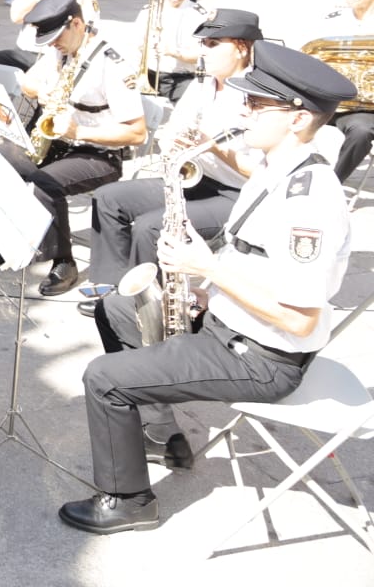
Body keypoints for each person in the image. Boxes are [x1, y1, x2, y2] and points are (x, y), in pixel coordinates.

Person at [59, 40, 353, 535]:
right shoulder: (274, 169)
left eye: (259, 104)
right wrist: (203, 288)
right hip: (231, 323)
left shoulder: (309, 202)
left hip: (260, 357)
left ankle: (129, 500)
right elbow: (256, 262)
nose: (245, 110)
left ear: (299, 119)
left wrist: (210, 272)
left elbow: (299, 318)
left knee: (102, 377)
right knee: (115, 308)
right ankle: (155, 429)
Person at [82, 9, 264, 317]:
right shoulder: (204, 83)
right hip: (195, 179)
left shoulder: (258, 96)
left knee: (149, 227)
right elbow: (175, 127)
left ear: (241, 48)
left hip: (236, 194)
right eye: (203, 43)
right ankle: (112, 287)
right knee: (109, 198)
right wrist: (170, 144)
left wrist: (213, 146)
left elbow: (263, 173)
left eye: (212, 43)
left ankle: (143, 306)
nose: (203, 51)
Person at [0, 0, 146, 296]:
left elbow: (137, 133)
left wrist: (80, 133)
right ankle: (19, 240)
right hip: (62, 140)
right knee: (3, 160)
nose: (52, 44)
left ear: (77, 23)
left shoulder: (112, 62)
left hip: (99, 151)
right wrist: (44, 92)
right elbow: (27, 81)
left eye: (56, 36)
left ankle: (63, 262)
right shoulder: (60, 50)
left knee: (44, 183)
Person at [305, 0, 374, 181]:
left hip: (363, 109)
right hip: (326, 102)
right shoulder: (329, 21)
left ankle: (331, 184)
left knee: (362, 132)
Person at [131, 0, 210, 103]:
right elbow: (135, 48)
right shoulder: (148, 11)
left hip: (180, 79)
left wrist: (174, 52)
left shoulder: (200, 16)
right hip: (148, 75)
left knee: (193, 107)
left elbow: (203, 56)